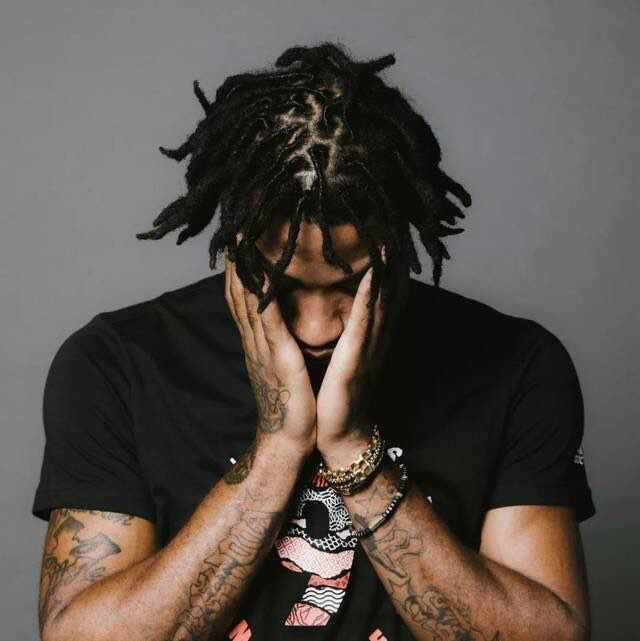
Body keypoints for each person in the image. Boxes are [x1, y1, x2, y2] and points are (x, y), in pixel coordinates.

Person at [32, 41, 595, 641]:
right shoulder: (118, 365)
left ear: (400, 246)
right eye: (283, 285)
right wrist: (278, 446)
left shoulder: (515, 366)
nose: (318, 328)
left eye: (353, 286)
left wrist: (353, 450)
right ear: (237, 240)